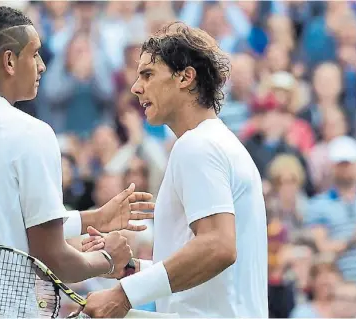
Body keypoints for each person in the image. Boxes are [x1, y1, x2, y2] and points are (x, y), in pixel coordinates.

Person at [0, 6, 154, 317]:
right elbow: (53, 261)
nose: (42, 66)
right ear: (9, 61)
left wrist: (95, 219)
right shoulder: (31, 134)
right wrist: (109, 259)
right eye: (34, 54)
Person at [81, 22, 268, 318]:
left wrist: (124, 295)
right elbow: (206, 272)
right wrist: (132, 269)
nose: (136, 87)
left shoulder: (197, 146)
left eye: (148, 74)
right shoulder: (218, 142)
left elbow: (218, 246)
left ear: (185, 78)